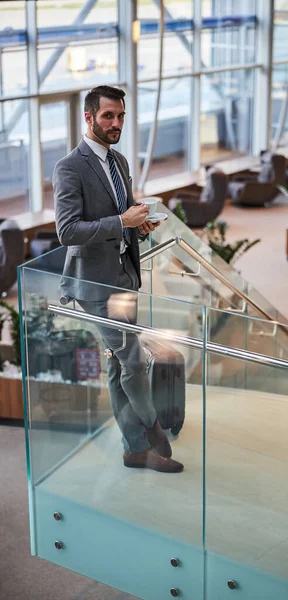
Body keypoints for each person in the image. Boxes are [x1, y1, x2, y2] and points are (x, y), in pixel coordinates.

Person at [53, 85, 183, 474]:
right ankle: (152, 430)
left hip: (124, 276)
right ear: (89, 118)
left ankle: (133, 449)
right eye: (108, 116)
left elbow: (123, 217)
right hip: (94, 284)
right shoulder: (69, 167)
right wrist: (121, 222)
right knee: (131, 360)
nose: (116, 123)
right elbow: (67, 231)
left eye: (121, 116)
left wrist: (138, 228)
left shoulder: (119, 161)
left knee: (117, 365)